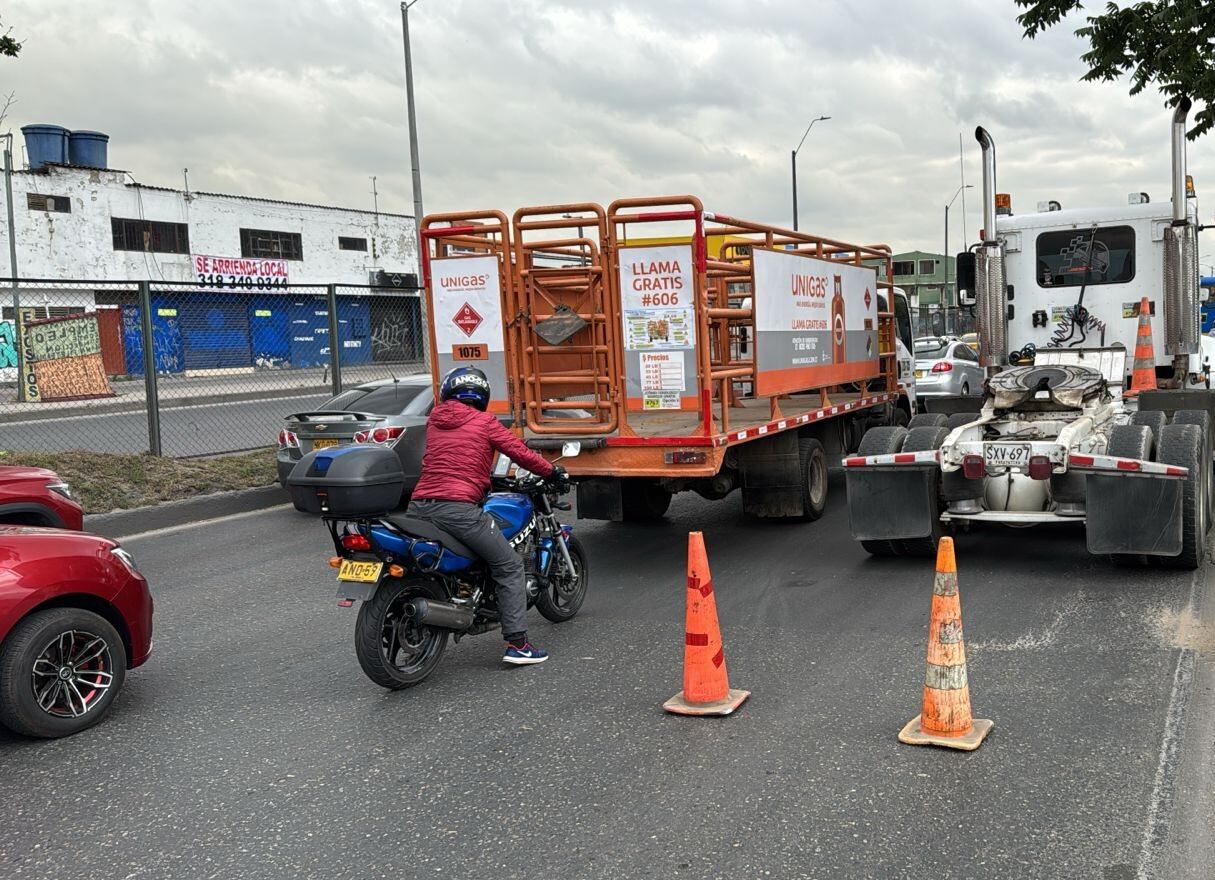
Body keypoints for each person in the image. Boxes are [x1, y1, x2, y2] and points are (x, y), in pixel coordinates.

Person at [407, 366, 567, 665]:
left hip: (419, 505)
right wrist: (552, 471)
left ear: (447, 392)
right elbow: (519, 451)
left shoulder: (434, 420)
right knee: (508, 564)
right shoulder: (484, 421)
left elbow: (449, 457)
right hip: (457, 508)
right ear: (481, 394)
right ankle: (518, 646)